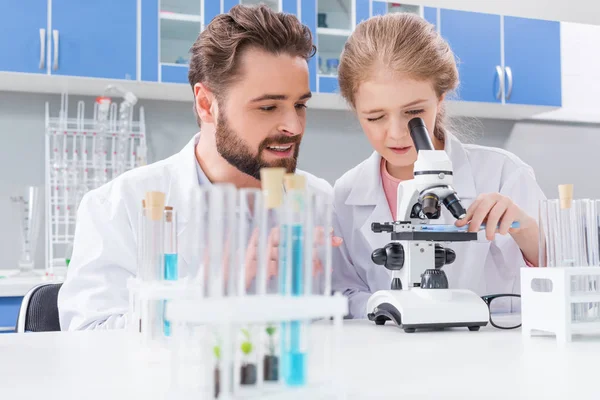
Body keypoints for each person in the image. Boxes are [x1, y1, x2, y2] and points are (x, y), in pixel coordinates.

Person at [58, 4, 340, 331]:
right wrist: (211, 289)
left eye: (300, 105)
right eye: (268, 106)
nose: (293, 125)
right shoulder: (120, 206)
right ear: (206, 104)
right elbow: (87, 341)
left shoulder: (318, 199)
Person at [331, 13, 546, 319]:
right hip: (389, 357)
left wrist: (526, 230)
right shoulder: (346, 193)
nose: (396, 133)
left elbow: (567, 280)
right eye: (375, 117)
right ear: (356, 109)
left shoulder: (502, 173)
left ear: (440, 98)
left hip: (492, 356)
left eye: (414, 112)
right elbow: (345, 292)